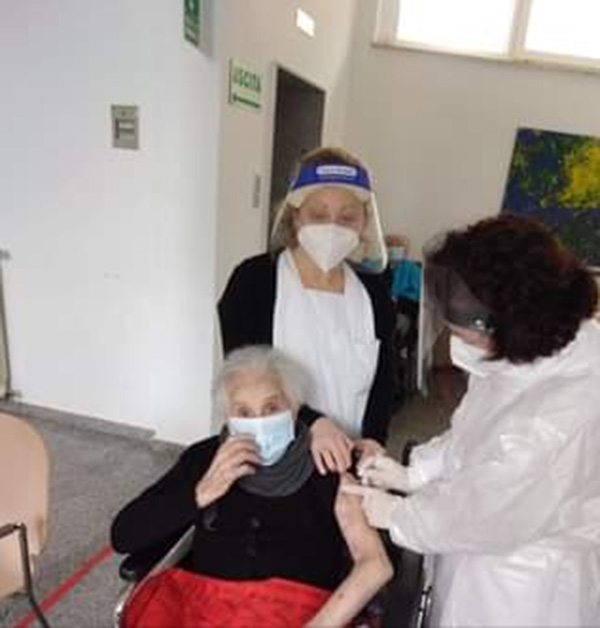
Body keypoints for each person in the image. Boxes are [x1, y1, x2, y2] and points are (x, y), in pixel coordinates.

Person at [347, 215, 600, 627]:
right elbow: (477, 433)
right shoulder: (531, 355)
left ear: (504, 324)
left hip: (521, 587)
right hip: (480, 555)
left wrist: (397, 515)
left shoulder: (561, 411)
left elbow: (490, 509)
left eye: (463, 334)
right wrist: (417, 472)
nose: (456, 342)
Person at [112, 346, 392, 628]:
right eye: (244, 412)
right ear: (228, 418)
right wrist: (200, 493)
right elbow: (123, 535)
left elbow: (375, 565)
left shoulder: (327, 461)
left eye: (271, 408)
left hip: (304, 614)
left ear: (295, 409)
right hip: (205, 610)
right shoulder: (204, 459)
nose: (258, 422)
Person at [218, 147, 396, 474]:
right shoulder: (254, 281)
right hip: (272, 460)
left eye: (347, 217)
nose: (333, 227)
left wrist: (372, 441)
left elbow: (384, 382)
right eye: (318, 215)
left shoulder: (374, 293)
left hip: (348, 459)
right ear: (295, 215)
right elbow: (244, 377)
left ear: (364, 223)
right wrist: (312, 422)